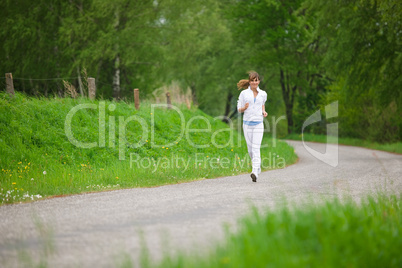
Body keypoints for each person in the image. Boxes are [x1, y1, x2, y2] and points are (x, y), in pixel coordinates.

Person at [237, 71, 268, 182]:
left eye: (256, 80)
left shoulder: (263, 94)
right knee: (250, 150)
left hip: (258, 124)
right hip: (247, 124)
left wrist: (264, 112)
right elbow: (238, 108)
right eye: (252, 81)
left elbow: (262, 104)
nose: (254, 83)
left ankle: (254, 171)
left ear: (259, 81)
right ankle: (258, 167)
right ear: (249, 82)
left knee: (255, 148)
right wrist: (244, 108)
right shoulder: (244, 94)